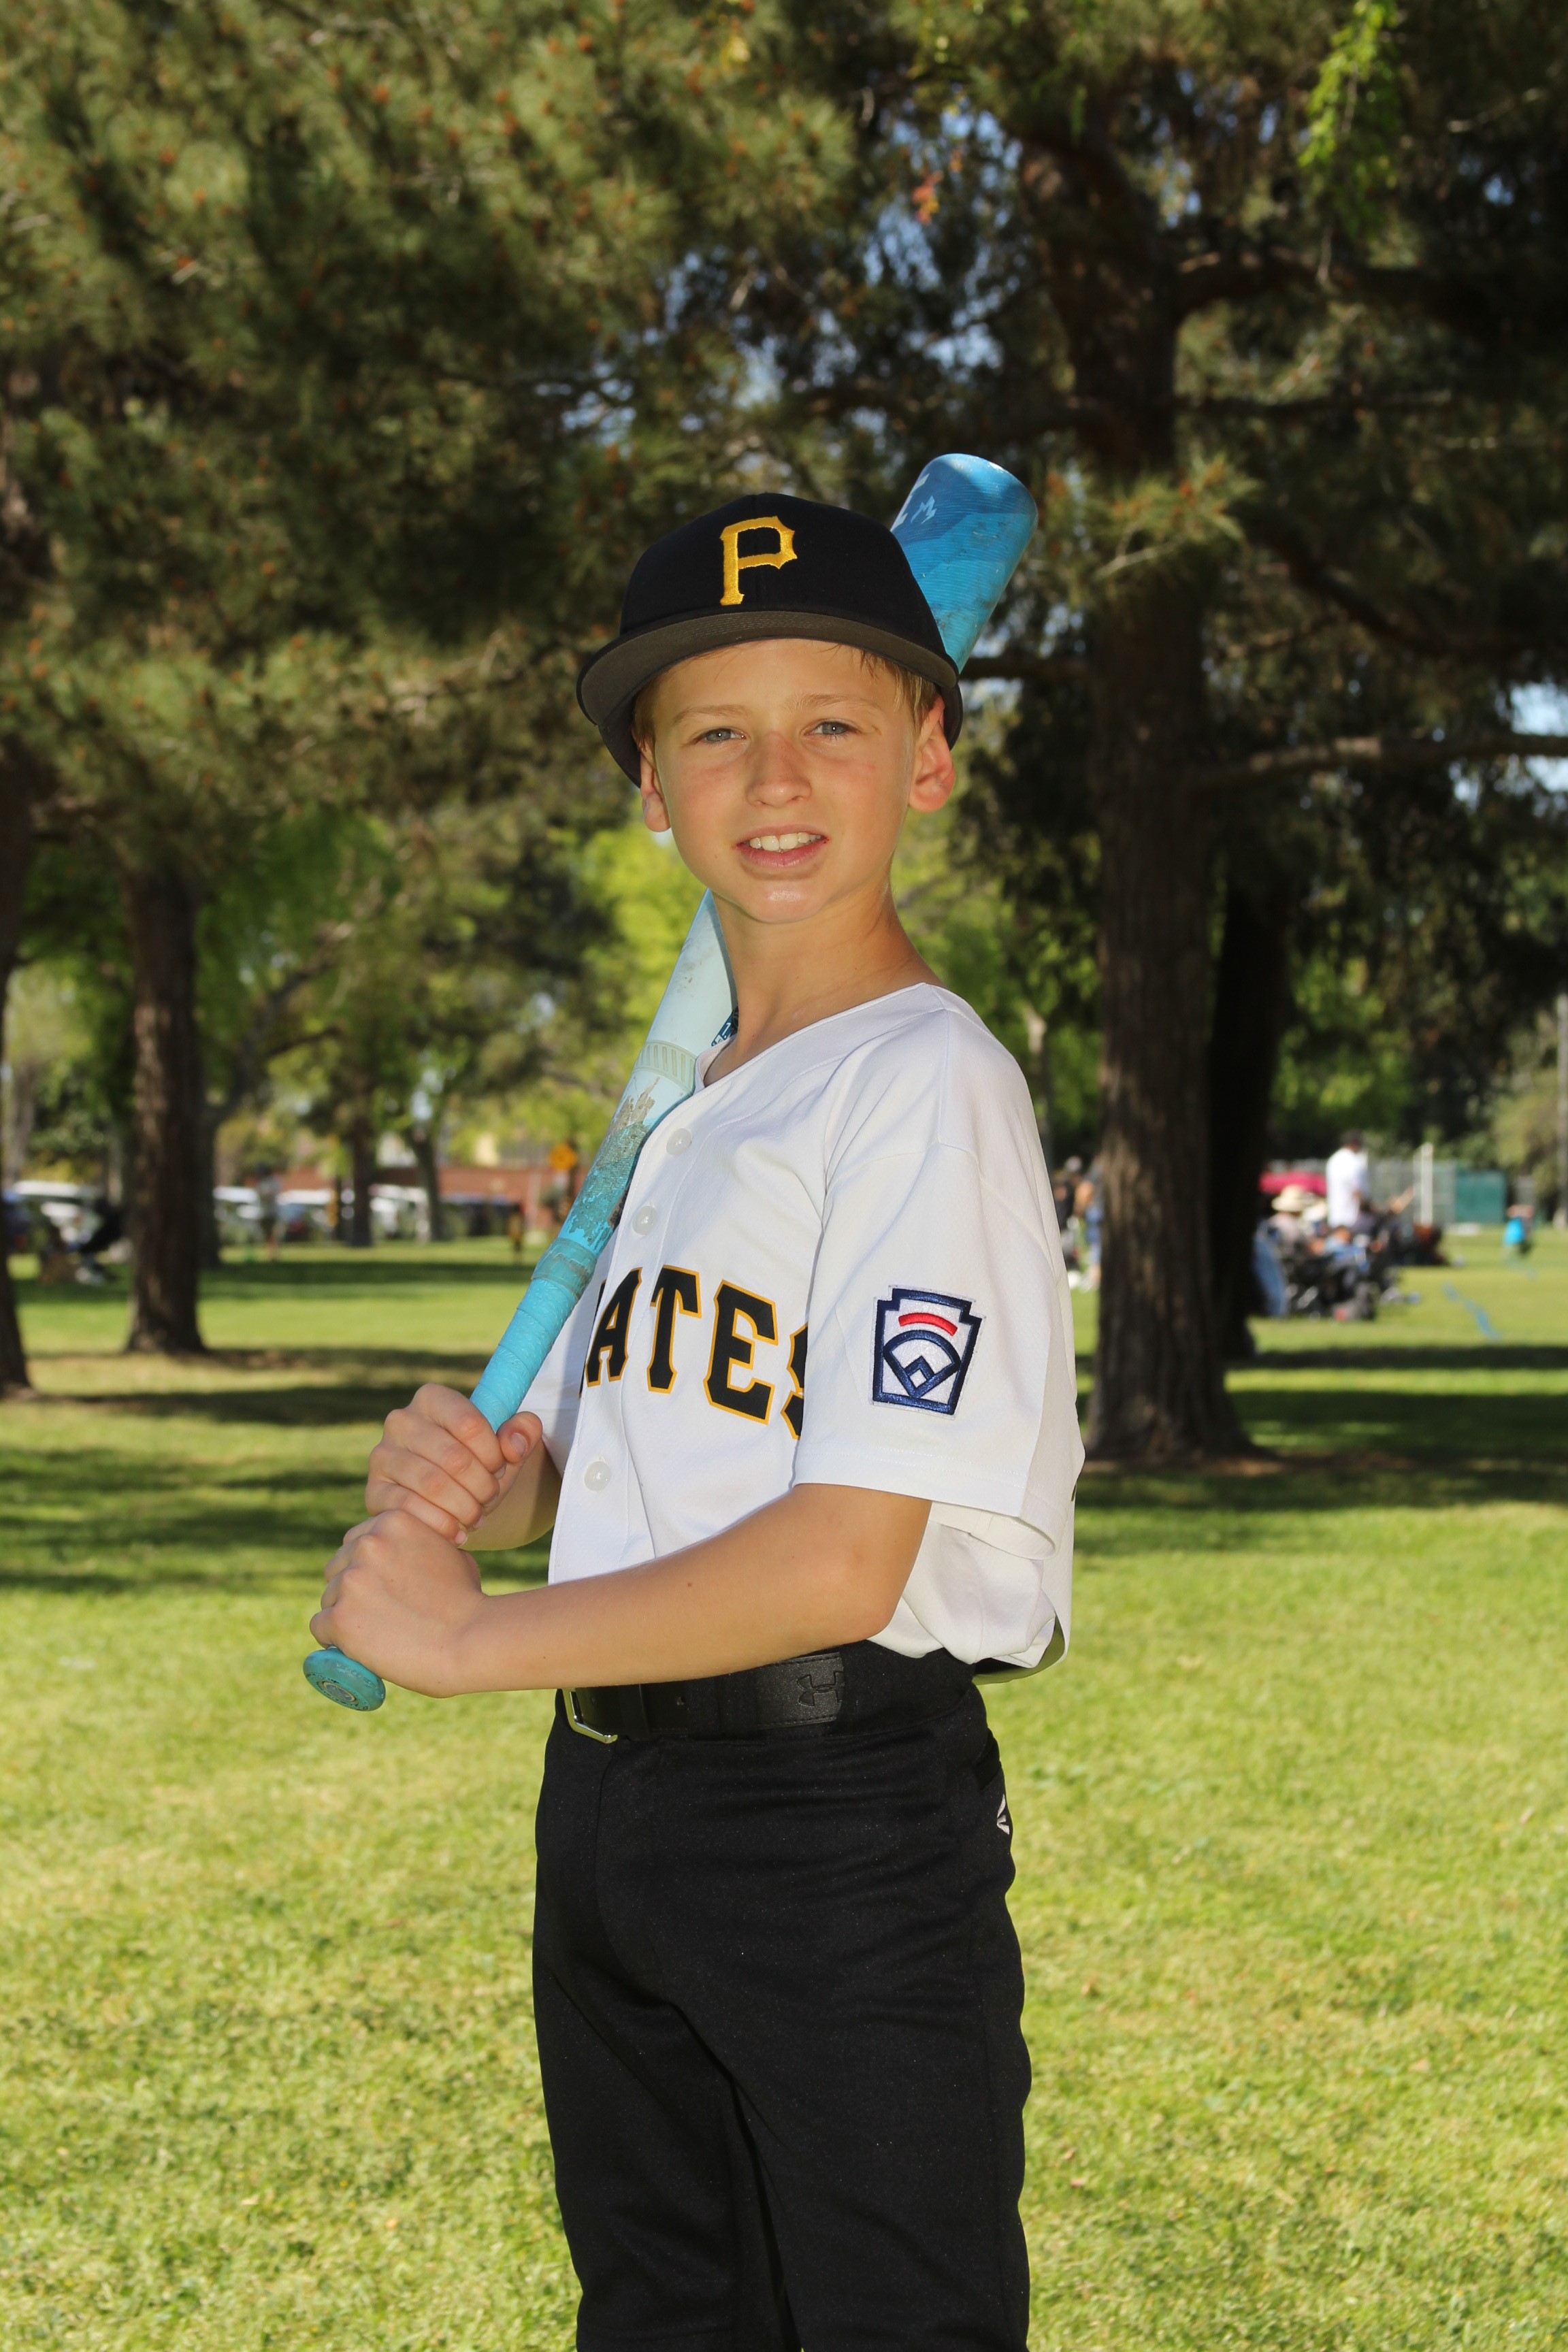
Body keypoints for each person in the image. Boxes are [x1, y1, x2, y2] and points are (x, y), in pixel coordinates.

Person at [311, 491, 1083, 2352]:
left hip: (830, 1820)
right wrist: (501, 1481)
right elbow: (647, 1452)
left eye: (833, 722)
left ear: (930, 758)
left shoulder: (923, 1080)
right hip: (615, 1803)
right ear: (652, 790)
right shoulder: (696, 1109)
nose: (777, 775)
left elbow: (841, 1555)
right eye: (715, 732)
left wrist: (470, 1638)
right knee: (664, 2313)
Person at [1325, 1129, 1370, 1232]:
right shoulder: (1354, 1161)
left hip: (1335, 1217)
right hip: (1352, 1219)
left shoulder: (1333, 1160)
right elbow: (1357, 1192)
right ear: (1355, 1144)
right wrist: (1370, 1209)